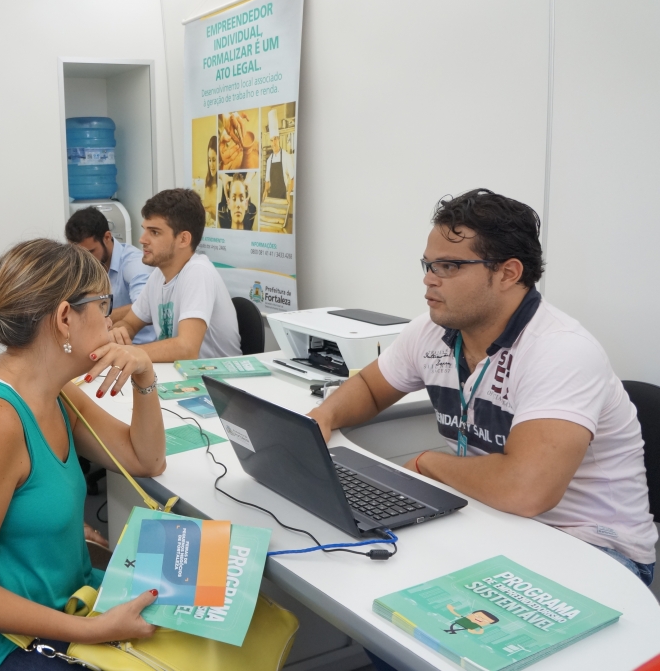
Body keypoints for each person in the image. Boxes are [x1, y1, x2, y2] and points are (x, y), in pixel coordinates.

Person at [308, 188, 657, 587]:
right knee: (372, 580)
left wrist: (428, 463)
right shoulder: (433, 330)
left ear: (508, 273)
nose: (428, 279)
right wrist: (324, 415)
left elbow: (527, 491)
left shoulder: (562, 350)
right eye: (428, 264)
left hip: (591, 546)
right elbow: (371, 388)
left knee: (423, 610)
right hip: (495, 519)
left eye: (449, 266)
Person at [0, 238, 166, 670]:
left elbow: (146, 459)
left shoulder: (57, 394)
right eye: (104, 305)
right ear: (65, 318)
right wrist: (95, 630)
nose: (112, 318)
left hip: (47, 609)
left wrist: (144, 375)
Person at [110, 189, 240, 361]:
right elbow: (130, 323)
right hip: (178, 378)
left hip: (216, 382)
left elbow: (186, 349)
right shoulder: (158, 274)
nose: (142, 239)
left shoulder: (198, 272)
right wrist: (119, 332)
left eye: (154, 232)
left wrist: (129, 353)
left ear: (183, 239)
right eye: (145, 230)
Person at [65, 206, 156, 344]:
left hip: (140, 348)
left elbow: (147, 307)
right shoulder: (80, 262)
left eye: (90, 252)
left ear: (107, 237)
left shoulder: (134, 263)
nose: (85, 261)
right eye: (79, 254)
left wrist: (94, 317)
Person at [261, 109, 295, 203]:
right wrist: (265, 190)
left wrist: (288, 193)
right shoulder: (269, 160)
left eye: (275, 139)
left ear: (279, 139)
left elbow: (292, 178)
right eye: (271, 140)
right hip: (272, 198)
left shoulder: (286, 156)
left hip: (283, 197)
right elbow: (267, 181)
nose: (274, 143)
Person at [203, 135, 219, 227]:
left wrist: (212, 210)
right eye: (209, 160)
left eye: (214, 160)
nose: (211, 165)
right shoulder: (206, 182)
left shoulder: (222, 183)